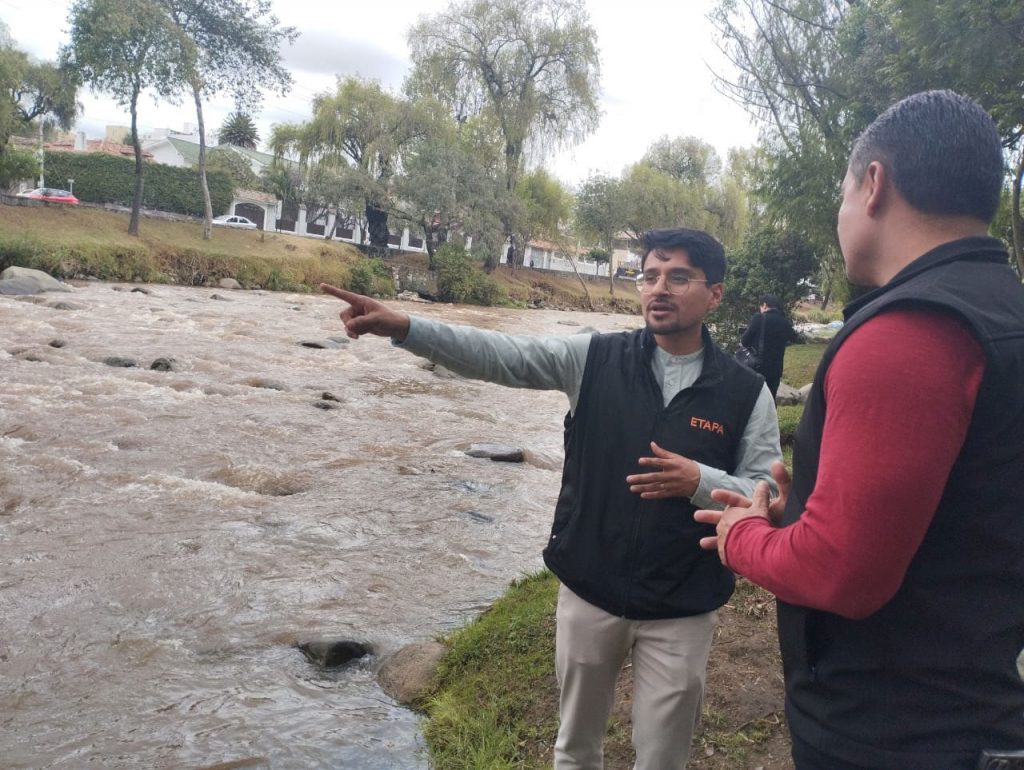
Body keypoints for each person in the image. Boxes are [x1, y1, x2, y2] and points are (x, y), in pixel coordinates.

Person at [321, 227, 782, 769]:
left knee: (663, 758)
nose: (660, 289)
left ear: (715, 294)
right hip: (590, 588)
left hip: (683, 604)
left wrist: (698, 480)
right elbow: (504, 355)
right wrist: (408, 328)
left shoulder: (745, 392)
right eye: (650, 276)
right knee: (575, 749)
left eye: (679, 277)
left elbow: (766, 488)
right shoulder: (594, 358)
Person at [696, 90, 1024, 769]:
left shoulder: (909, 330)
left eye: (842, 193)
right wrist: (812, 507)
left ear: (874, 186)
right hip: (976, 706)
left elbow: (842, 572)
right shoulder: (1002, 309)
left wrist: (743, 537)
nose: (841, 214)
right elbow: (967, 509)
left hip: (896, 733)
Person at [740, 294, 798, 399]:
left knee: (754, 399)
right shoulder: (784, 321)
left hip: (757, 367)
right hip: (776, 368)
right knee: (771, 399)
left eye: (761, 306)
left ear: (765, 305)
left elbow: (744, 341)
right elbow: (794, 338)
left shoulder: (759, 318)